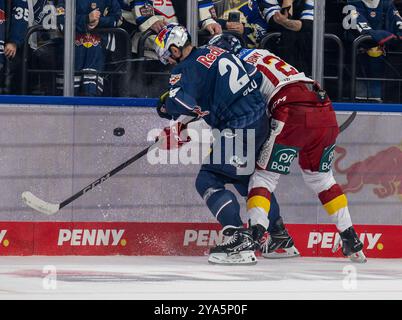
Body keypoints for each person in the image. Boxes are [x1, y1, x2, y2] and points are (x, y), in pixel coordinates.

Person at [208, 33, 367, 263]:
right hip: (323, 104)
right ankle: (350, 237)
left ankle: (250, 240)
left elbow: (248, 109)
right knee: (322, 179)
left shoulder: (236, 67)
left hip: (291, 110)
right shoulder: (262, 54)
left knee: (263, 177)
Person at [153, 23, 297, 265]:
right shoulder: (218, 52)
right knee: (245, 180)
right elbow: (255, 75)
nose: (168, 60)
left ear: (176, 49)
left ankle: (236, 237)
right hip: (259, 118)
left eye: (168, 54)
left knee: (207, 179)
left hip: (238, 126)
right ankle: (279, 236)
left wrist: (166, 107)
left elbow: (183, 102)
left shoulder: (184, 69)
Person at [56, 0, 122, 96]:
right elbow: (60, 20)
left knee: (93, 95)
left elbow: (118, 18)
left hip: (99, 52)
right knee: (68, 95)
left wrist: (99, 21)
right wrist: (86, 19)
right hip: (71, 53)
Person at [343, 0, 402, 102]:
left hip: (383, 64)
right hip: (357, 61)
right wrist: (388, 36)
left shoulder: (386, 3)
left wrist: (389, 37)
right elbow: (365, 32)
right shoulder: (351, 4)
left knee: (381, 99)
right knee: (359, 101)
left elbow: (399, 28)